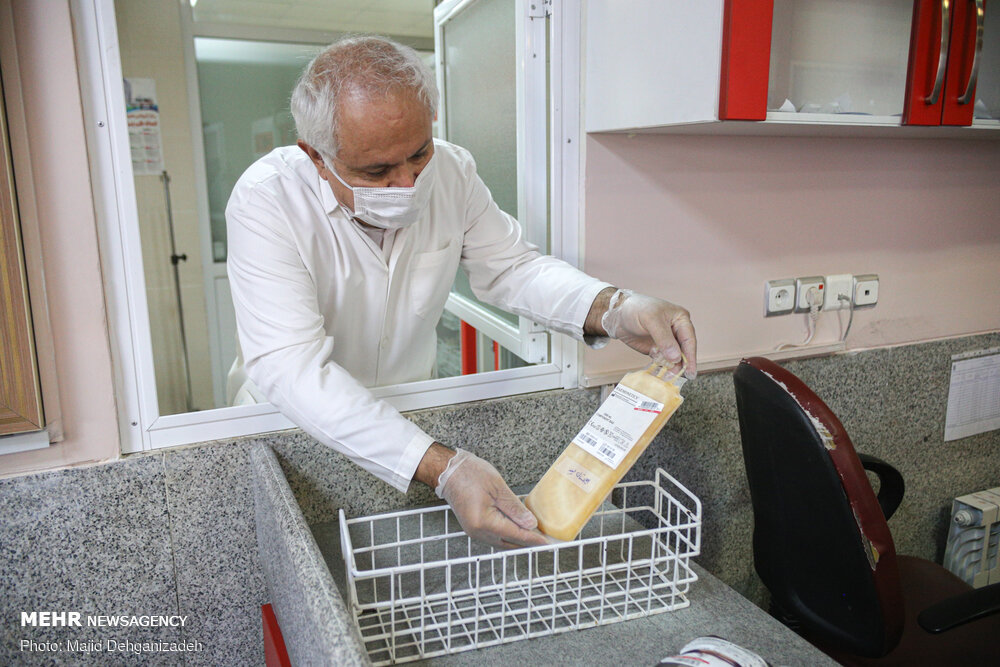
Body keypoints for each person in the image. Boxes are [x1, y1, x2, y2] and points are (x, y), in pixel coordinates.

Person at [226, 36, 696, 549]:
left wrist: (616, 308)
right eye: (377, 172)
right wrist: (443, 469)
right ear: (317, 157)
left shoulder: (453, 171)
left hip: (412, 416)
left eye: (418, 155)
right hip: (296, 429)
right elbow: (292, 368)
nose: (407, 184)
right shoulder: (266, 200)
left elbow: (513, 269)